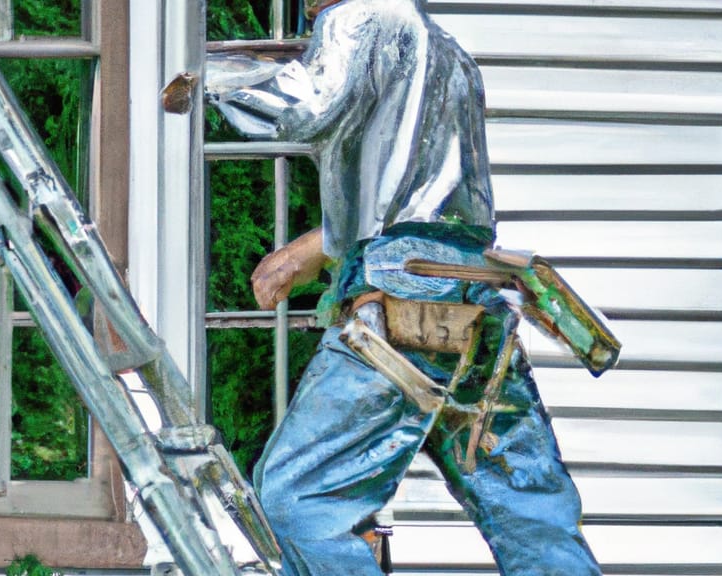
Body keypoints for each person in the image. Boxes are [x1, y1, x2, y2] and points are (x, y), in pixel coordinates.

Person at [204, 0, 602, 573]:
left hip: (404, 296)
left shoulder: (363, 16)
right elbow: (425, 201)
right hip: (475, 293)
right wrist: (319, 249)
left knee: (299, 501)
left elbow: (303, 107)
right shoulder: (448, 52)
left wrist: (207, 74)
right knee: (531, 515)